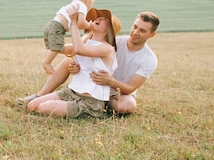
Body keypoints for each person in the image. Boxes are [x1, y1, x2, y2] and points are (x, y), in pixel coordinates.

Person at [17, 11, 161, 115]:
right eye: (135, 27)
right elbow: (79, 51)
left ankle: (97, 108)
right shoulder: (117, 42)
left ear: (152, 35)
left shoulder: (149, 59)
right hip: (89, 86)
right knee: (68, 59)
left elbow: (129, 89)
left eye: (142, 30)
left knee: (128, 105)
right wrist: (75, 63)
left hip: (118, 93)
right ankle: (39, 95)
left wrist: (111, 81)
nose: (135, 32)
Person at [27, 8, 122, 118]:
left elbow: (79, 49)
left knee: (42, 107)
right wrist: (54, 38)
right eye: (98, 17)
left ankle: (89, 113)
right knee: (32, 105)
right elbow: (66, 49)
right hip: (71, 92)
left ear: (110, 28)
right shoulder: (86, 43)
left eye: (104, 18)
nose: (98, 18)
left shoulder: (107, 49)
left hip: (89, 101)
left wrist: (74, 23)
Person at [41, 0, 96, 75]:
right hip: (58, 27)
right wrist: (89, 25)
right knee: (56, 47)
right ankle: (47, 63)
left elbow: (75, 23)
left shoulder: (73, 4)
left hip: (50, 24)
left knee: (50, 46)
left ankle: (45, 61)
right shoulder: (82, 6)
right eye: (92, 2)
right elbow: (81, 23)